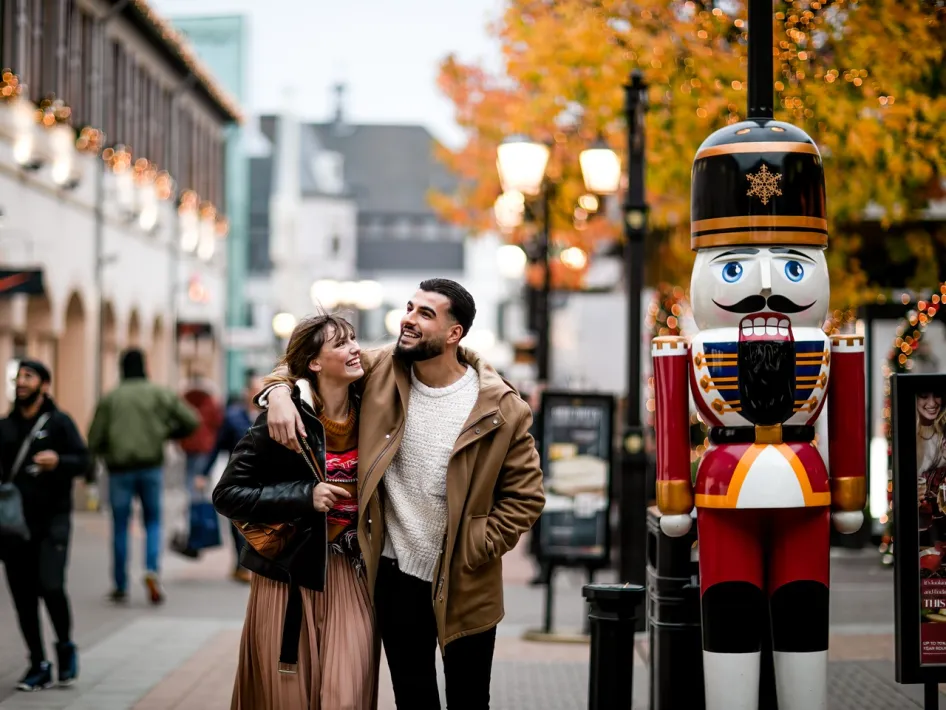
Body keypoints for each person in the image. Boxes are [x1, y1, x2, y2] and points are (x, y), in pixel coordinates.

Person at [260, 279, 545, 709]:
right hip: (395, 576)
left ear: (455, 333)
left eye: (425, 314)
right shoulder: (378, 372)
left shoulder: (501, 407)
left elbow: (526, 497)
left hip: (468, 580)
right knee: (413, 700)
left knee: (470, 701)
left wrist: (476, 545)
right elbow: (302, 363)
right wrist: (278, 393)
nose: (408, 319)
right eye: (410, 308)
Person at [214, 315, 375, 710]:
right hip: (290, 577)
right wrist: (304, 495)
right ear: (315, 363)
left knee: (347, 692)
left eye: (354, 338)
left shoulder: (375, 409)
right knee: (289, 698)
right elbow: (228, 494)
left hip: (352, 573)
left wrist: (276, 391)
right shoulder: (282, 421)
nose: (355, 348)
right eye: (341, 343)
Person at [0, 360, 89, 691]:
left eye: (28, 377)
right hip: (12, 528)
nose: (21, 382)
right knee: (23, 596)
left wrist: (59, 462)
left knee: (51, 586)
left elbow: (84, 461)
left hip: (53, 520)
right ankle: (37, 662)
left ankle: (65, 647)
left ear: (44, 385)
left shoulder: (59, 423)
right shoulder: (5, 427)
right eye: (18, 377)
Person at [87, 348, 199, 605]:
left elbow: (95, 437)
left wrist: (95, 462)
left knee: (120, 525)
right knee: (152, 521)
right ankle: (151, 569)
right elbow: (191, 420)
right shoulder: (158, 393)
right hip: (151, 467)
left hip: (119, 471)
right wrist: (165, 432)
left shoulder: (111, 398)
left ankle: (120, 583)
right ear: (145, 366)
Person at [194, 374, 266, 582]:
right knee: (238, 522)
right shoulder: (233, 417)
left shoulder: (273, 415)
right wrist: (203, 473)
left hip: (264, 478)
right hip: (238, 477)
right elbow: (217, 446)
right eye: (256, 389)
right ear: (247, 392)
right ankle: (242, 563)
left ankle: (247, 563)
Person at [179, 374, 224, 499]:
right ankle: (201, 504)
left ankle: (192, 504)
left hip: (189, 444)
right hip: (206, 445)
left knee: (190, 476)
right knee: (203, 476)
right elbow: (218, 422)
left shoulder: (186, 399)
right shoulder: (209, 401)